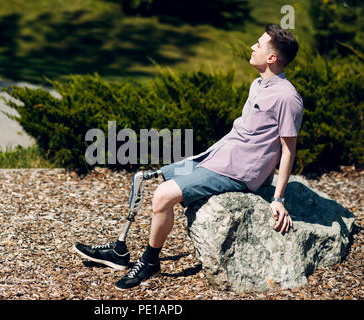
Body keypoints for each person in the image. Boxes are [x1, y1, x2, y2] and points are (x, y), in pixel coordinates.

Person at [74, 23, 303, 290]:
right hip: (218, 156)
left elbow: (288, 149)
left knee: (162, 195)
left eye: (259, 44)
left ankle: (149, 262)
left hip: (237, 171)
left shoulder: (287, 98)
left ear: (272, 58)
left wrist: (278, 198)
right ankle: (119, 251)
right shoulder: (258, 84)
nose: (253, 47)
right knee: (143, 176)